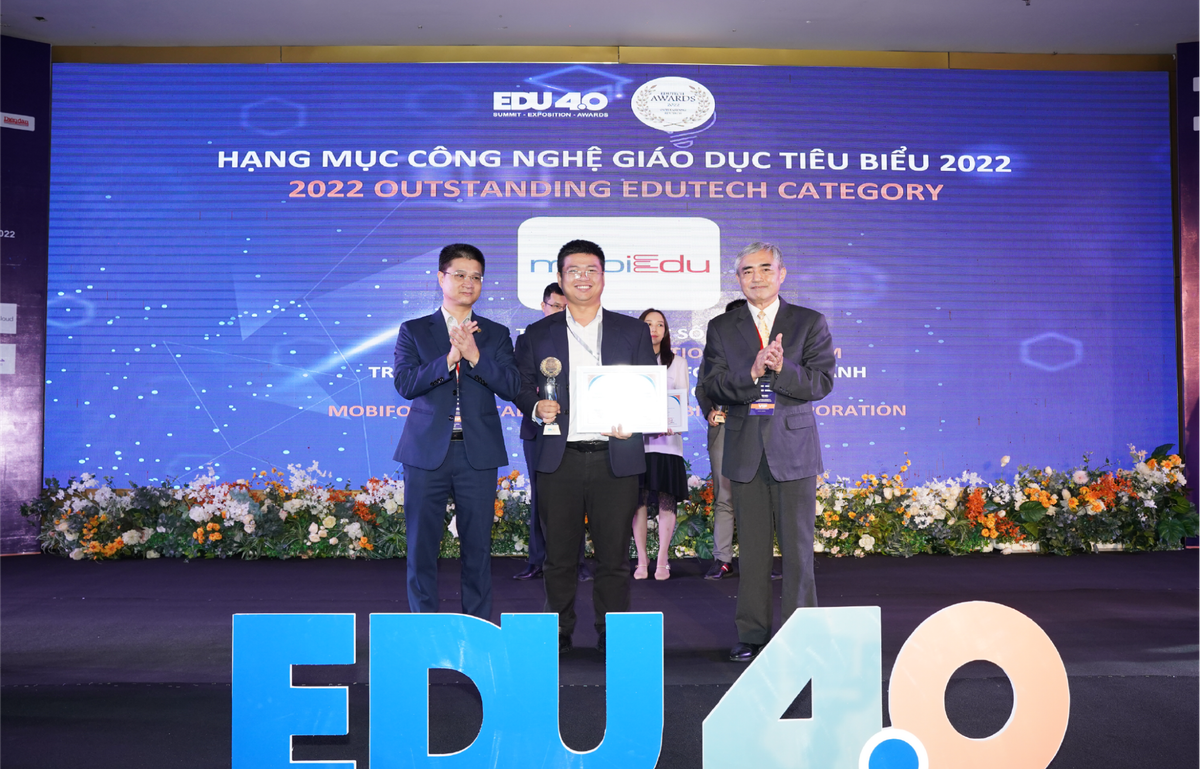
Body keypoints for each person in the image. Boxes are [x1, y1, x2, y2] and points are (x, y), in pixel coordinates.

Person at [514, 239, 657, 653]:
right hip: (560, 459)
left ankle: (612, 633)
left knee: (614, 557)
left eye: (591, 270)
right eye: (573, 271)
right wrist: (535, 406)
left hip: (616, 458)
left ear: (603, 277)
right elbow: (520, 385)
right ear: (560, 279)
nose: (583, 278)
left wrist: (635, 421)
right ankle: (558, 632)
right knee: (559, 556)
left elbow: (647, 387)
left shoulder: (632, 331)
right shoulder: (537, 334)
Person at [700, 241, 835, 662]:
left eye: (764, 269)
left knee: (798, 552)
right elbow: (712, 385)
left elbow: (821, 382)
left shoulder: (808, 322)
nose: (756, 277)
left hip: (793, 449)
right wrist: (753, 371)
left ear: (781, 274)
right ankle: (752, 634)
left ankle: (801, 637)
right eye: (747, 271)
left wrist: (781, 368)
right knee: (753, 553)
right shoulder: (723, 327)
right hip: (744, 449)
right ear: (737, 279)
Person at [392, 243, 521, 620]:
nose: (469, 282)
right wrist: (450, 358)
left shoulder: (496, 333)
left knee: (478, 549)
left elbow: (512, 386)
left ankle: (476, 627)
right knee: (421, 547)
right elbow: (405, 384)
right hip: (425, 453)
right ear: (441, 278)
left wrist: (475, 355)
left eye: (476, 277)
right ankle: (424, 627)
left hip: (476, 454)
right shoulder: (414, 330)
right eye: (460, 275)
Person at [513, 283, 593, 583]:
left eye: (565, 306)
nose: (560, 311)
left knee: (576, 497)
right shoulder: (528, 338)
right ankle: (537, 560)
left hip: (574, 430)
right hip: (537, 429)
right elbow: (518, 384)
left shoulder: (580, 339)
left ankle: (577, 562)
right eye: (555, 306)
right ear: (543, 306)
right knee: (541, 496)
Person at [632, 309, 689, 581]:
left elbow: (682, 401)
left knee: (667, 500)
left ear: (666, 331)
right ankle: (642, 560)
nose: (654, 329)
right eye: (648, 324)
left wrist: (672, 420)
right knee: (638, 502)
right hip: (638, 443)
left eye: (660, 325)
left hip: (667, 443)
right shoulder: (630, 362)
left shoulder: (677, 362)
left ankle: (663, 560)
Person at [695, 298, 746, 580]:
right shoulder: (714, 353)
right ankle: (723, 559)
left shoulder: (765, 352)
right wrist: (709, 411)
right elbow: (701, 388)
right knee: (725, 496)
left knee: (757, 498)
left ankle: (758, 562)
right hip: (724, 428)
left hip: (757, 429)